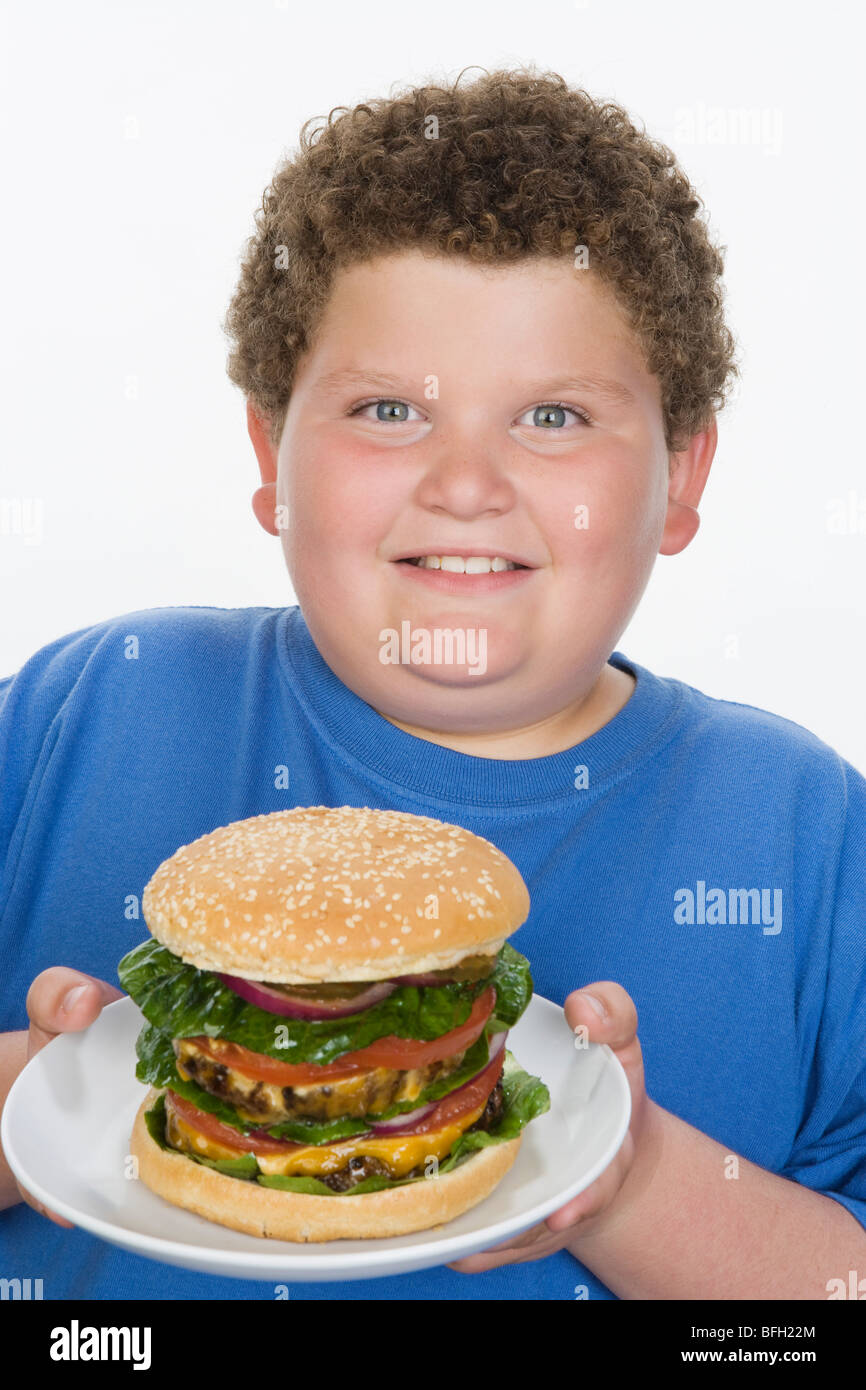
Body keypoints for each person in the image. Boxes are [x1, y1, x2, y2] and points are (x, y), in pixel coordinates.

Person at [1, 66, 864, 1301]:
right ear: (269, 455)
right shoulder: (77, 717)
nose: (466, 482)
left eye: (554, 416)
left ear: (679, 476)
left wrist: (627, 1179)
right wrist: (40, 1098)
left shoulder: (805, 833)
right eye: (389, 407)